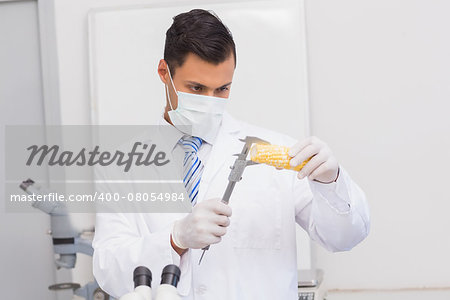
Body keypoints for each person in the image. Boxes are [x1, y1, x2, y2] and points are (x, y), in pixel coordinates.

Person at [92, 9, 370, 300]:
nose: (210, 102)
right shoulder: (121, 166)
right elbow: (109, 270)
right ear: (165, 73)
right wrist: (174, 239)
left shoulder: (274, 150)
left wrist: (331, 182)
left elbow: (344, 238)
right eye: (196, 88)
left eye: (222, 89)